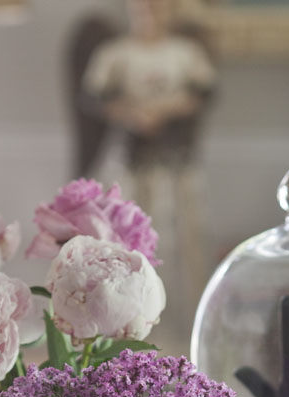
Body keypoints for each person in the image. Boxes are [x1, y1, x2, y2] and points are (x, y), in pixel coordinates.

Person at [72, 0, 216, 351]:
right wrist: (132, 114)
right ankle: (127, 323)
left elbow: (202, 94)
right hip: (132, 159)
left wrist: (165, 110)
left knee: (183, 236)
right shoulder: (115, 53)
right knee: (127, 234)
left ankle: (189, 325)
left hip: (174, 159)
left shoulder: (185, 53)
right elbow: (94, 96)